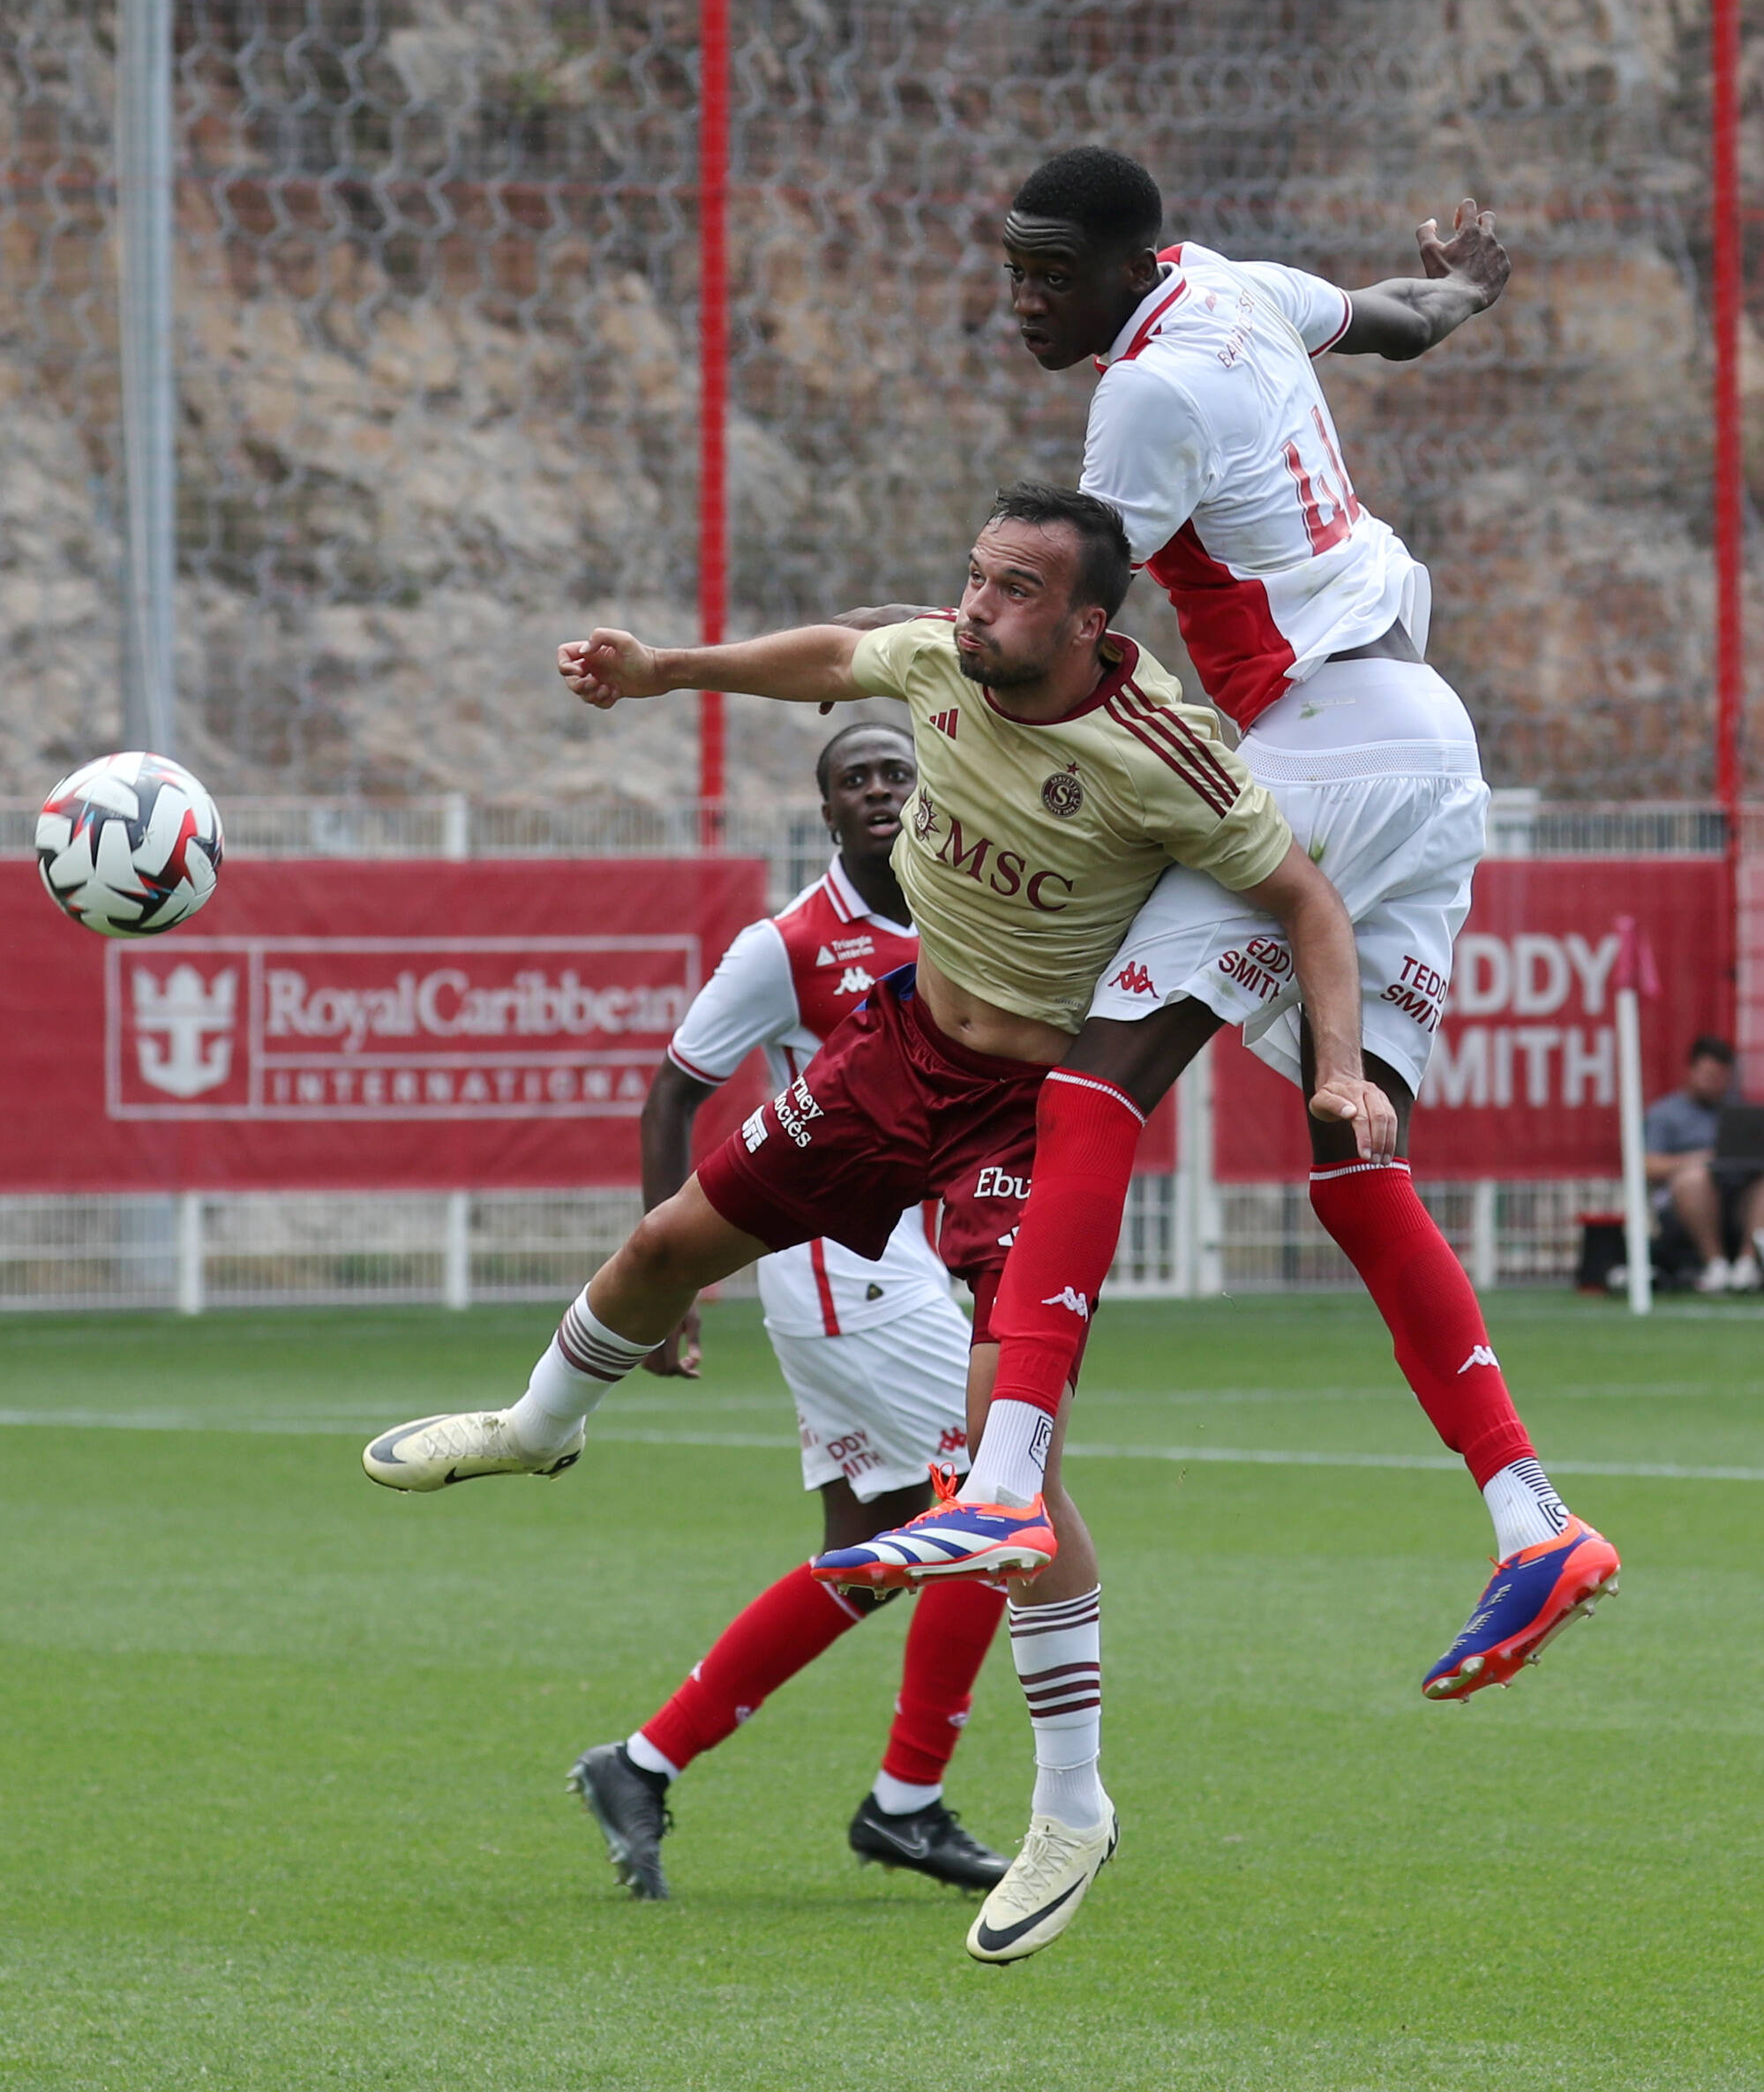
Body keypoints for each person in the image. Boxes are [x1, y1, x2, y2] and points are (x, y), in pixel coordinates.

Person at [363, 479, 1395, 1964]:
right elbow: (842, 651)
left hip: (1029, 1115)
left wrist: (1341, 1072)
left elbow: (1304, 901)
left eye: (1012, 590)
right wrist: (664, 671)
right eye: (972, 578)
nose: (974, 606)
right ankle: (537, 1425)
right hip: (893, 1057)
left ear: (1088, 622)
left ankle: (1068, 1799)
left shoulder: (1162, 752)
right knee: (664, 1249)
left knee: (1001, 1479)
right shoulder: (939, 659)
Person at [829, 148, 1619, 1716]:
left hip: (1322, 732)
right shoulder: (1233, 287)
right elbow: (1392, 318)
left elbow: (1061, 622)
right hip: (1422, 739)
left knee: (1091, 1082)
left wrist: (927, 683)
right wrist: (1460, 283)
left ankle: (999, 1473)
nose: (1019, 301)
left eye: (1047, 273)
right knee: (1354, 1153)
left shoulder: (1141, 395)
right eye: (1010, 269)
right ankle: (1529, 1518)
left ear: (1125, 263)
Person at [567, 723, 1010, 1900]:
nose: (878, 790)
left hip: (901, 1262)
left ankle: (639, 1764)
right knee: (997, 1509)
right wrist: (666, 1286)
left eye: (894, 773)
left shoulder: (968, 908)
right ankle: (904, 1804)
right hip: (840, 1266)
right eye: (852, 779)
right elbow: (672, 1098)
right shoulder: (791, 944)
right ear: (823, 813)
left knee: (868, 1550)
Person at [1644, 1035, 1758, 1293]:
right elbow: (1647, 1165)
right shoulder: (1665, 1114)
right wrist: (1697, 1160)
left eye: (1721, 1077)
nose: (1715, 1084)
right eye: (1708, 1076)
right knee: (1695, 1179)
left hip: (1737, 1198)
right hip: (1685, 1202)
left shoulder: (1740, 1112)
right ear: (1691, 1071)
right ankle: (1715, 1265)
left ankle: (1747, 1265)